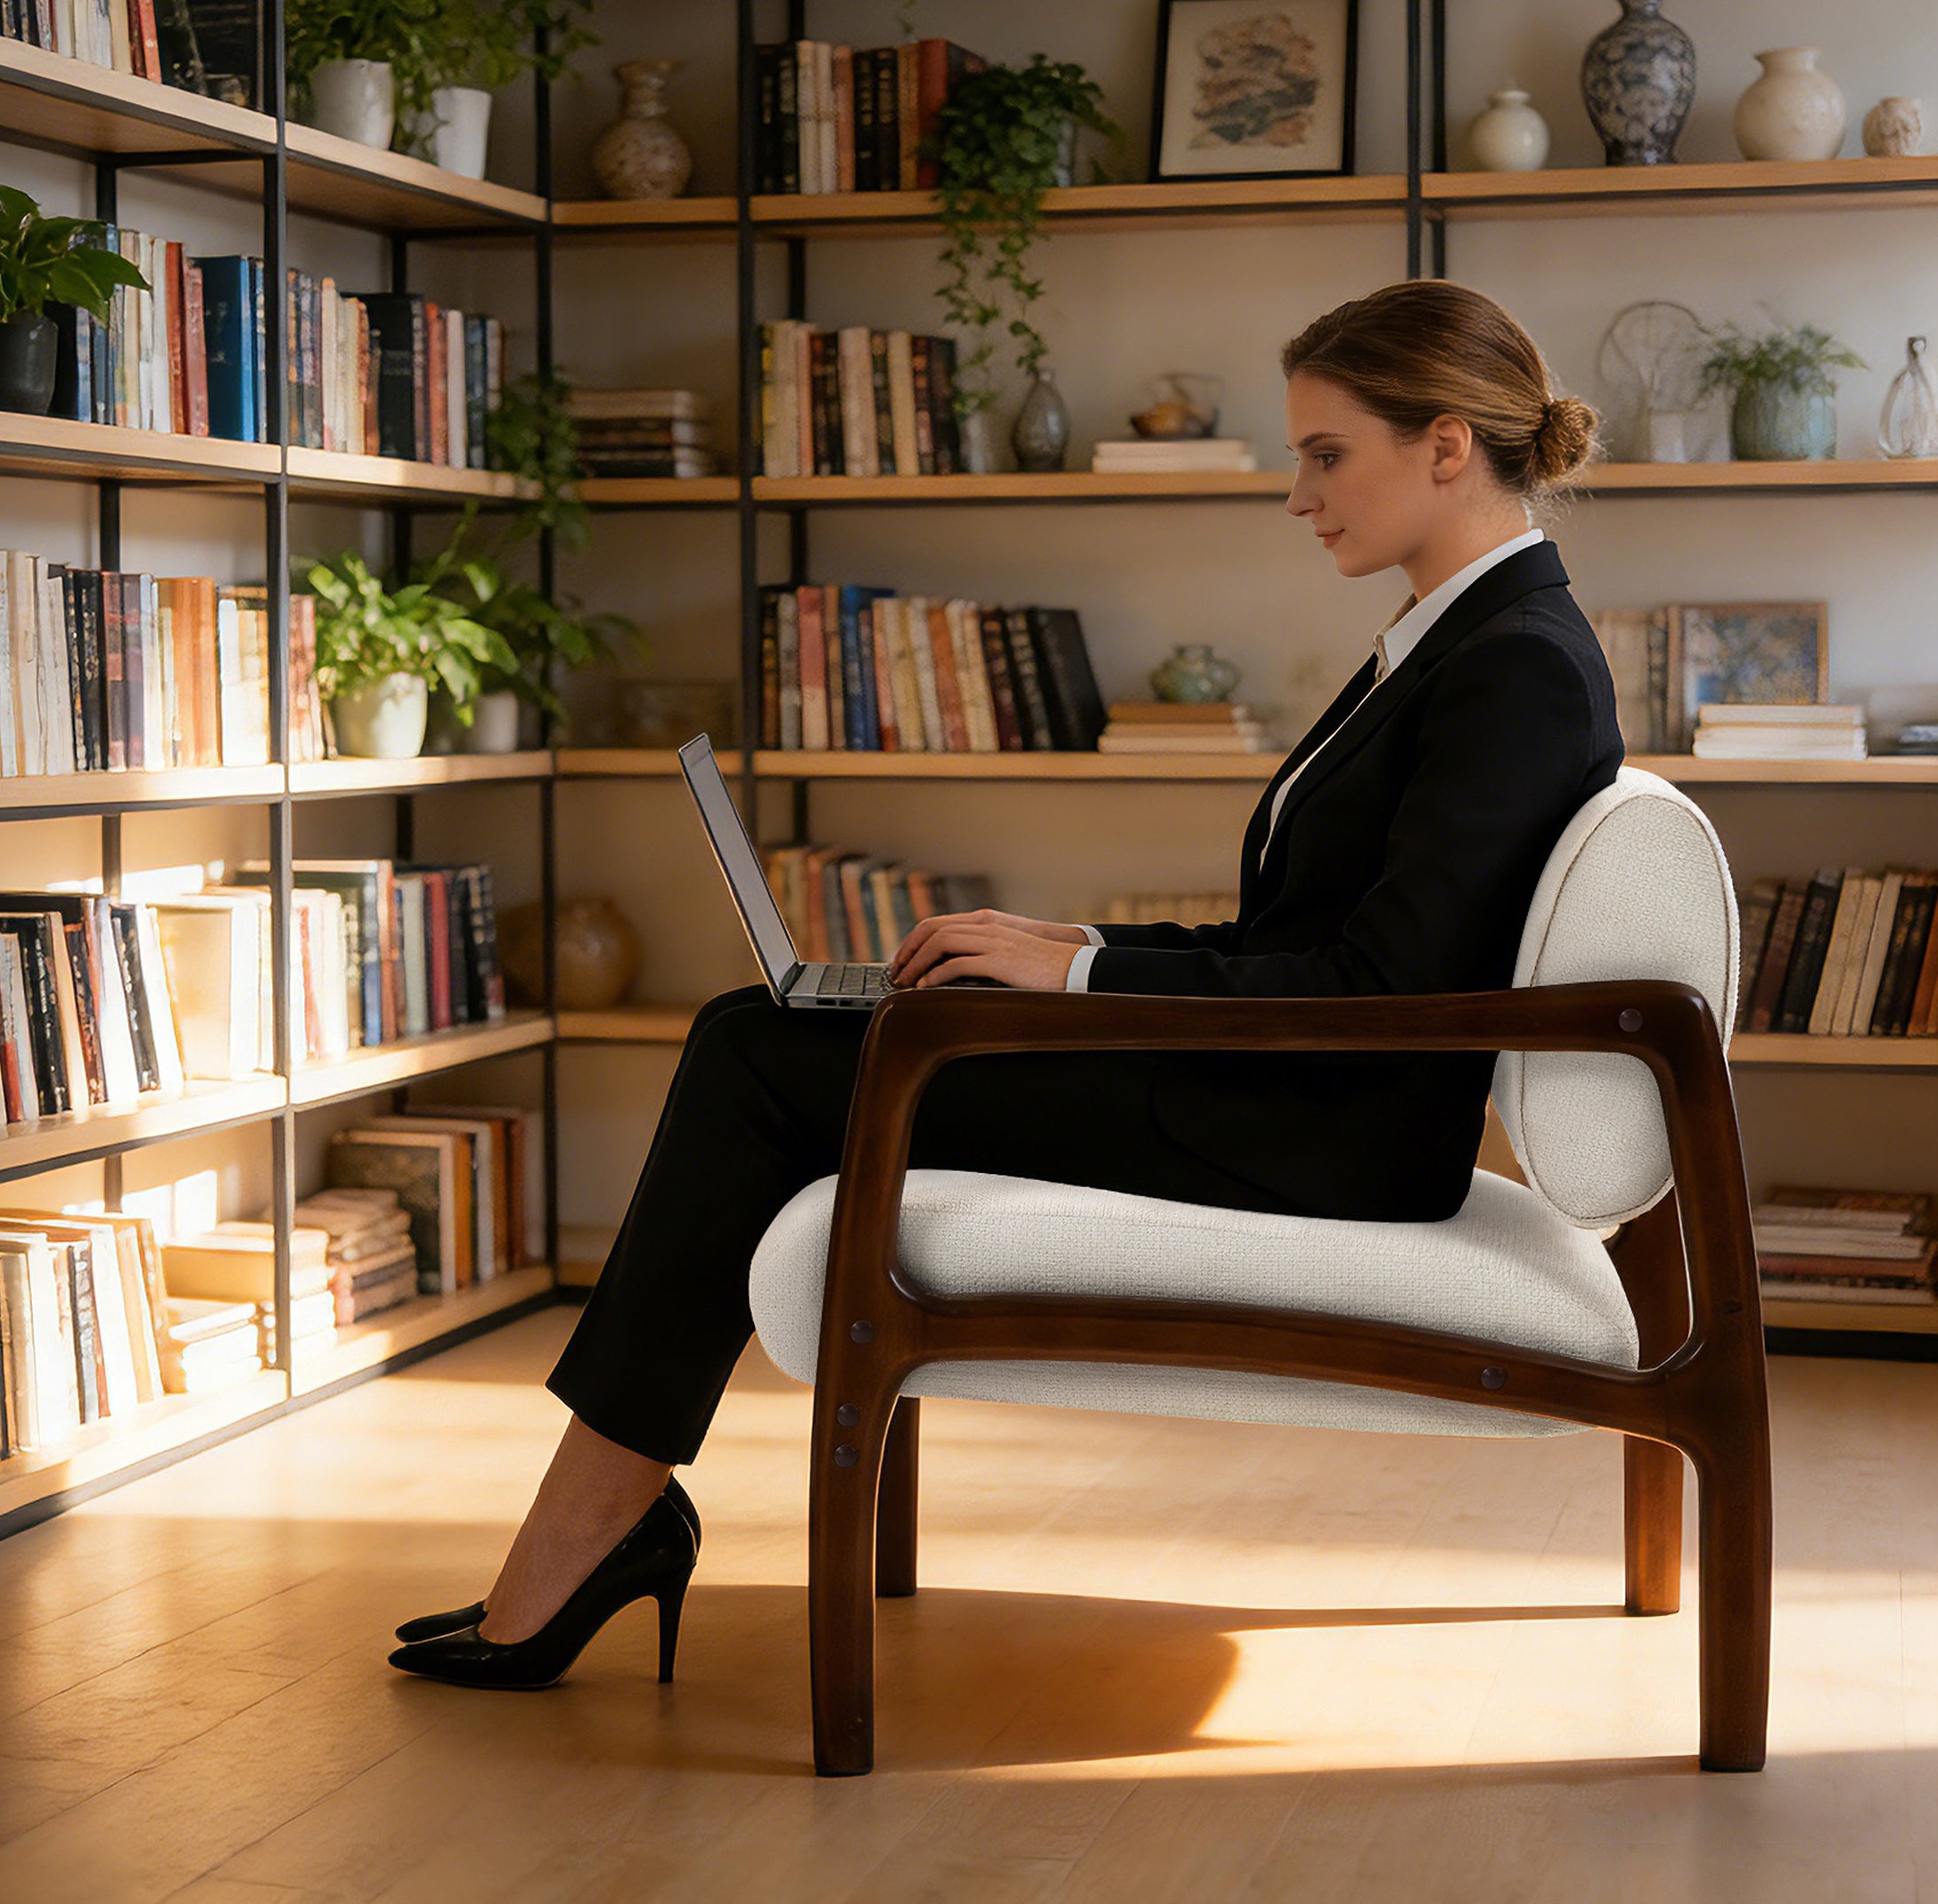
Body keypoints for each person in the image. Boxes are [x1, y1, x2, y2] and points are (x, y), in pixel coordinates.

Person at [386, 279, 1623, 1691]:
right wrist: (1066, 959)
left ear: (1448, 445)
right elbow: (1317, 941)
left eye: (1326, 454)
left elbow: (1377, 985)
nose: (1298, 495)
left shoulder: (1511, 666)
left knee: (757, 1049)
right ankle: (601, 1521)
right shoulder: (1460, 642)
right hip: (1286, 1084)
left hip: (1317, 1127)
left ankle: (585, 1536)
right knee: (781, 1028)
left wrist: (1087, 974)